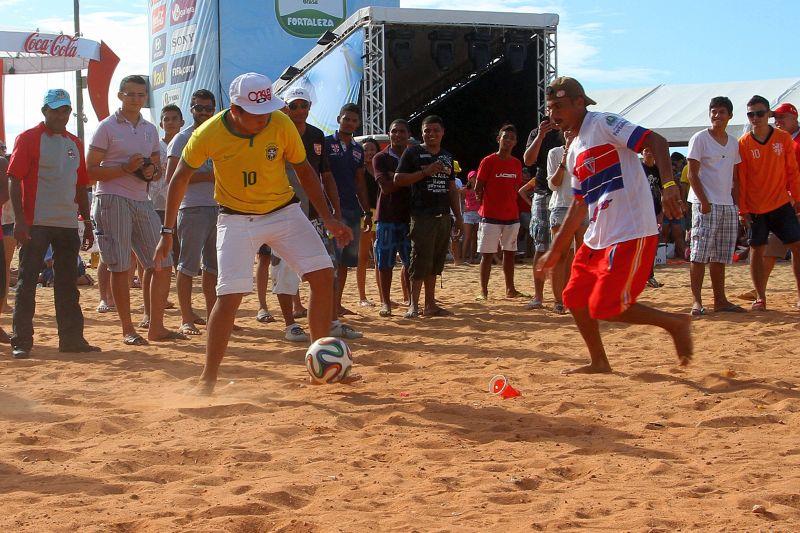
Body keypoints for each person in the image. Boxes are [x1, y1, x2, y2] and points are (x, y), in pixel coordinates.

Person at [153, 72, 353, 394]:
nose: (264, 119)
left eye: (267, 111)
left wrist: (328, 217)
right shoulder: (209, 133)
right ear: (235, 110)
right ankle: (208, 379)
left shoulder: (280, 122)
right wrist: (167, 231)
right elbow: (178, 177)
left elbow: (304, 170)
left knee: (322, 274)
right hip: (235, 219)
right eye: (256, 114)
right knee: (229, 297)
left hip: (284, 211)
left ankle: (319, 364)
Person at [536, 76, 692, 374]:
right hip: (598, 235)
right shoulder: (574, 149)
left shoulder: (603, 123)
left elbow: (655, 140)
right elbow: (579, 203)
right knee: (574, 297)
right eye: (550, 107)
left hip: (630, 230)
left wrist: (669, 185)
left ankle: (675, 323)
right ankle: (599, 361)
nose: (553, 113)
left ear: (580, 103)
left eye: (559, 106)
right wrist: (555, 251)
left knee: (606, 306)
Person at [87, 75, 183, 345]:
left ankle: (156, 327)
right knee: (120, 265)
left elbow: (154, 164)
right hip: (111, 198)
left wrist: (151, 170)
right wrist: (124, 169)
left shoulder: (150, 129)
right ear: (120, 96)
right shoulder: (106, 127)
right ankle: (128, 329)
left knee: (163, 261)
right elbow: (90, 170)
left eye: (141, 95)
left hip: (142, 199)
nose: (136, 99)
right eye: (130, 94)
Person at [7, 89, 100, 358]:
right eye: (55, 110)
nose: (61, 115)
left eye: (65, 111)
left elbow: (81, 184)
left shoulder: (75, 142)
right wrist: (21, 221)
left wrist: (87, 222)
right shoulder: (28, 139)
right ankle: (21, 341)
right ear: (44, 111)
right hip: (36, 223)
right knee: (27, 283)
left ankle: (72, 340)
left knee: (68, 284)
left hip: (67, 224)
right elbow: (14, 179)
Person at [395, 115, 462, 318]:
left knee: (436, 261)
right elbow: (398, 179)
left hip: (443, 215)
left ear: (442, 132)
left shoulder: (447, 157)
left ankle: (430, 304)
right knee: (419, 259)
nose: (431, 134)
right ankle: (413, 305)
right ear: (422, 132)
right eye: (427, 130)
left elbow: (452, 188)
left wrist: (458, 217)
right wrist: (425, 173)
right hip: (422, 214)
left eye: (435, 130)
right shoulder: (413, 152)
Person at [738, 95, 800, 310]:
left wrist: (798, 197)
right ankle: (760, 297)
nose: (755, 117)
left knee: (796, 247)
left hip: (782, 203)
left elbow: (792, 171)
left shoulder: (783, 139)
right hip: (756, 207)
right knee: (758, 251)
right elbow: (741, 179)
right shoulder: (744, 143)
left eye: (760, 113)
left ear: (768, 114)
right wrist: (743, 209)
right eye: (751, 114)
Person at [165, 89, 219, 336]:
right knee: (187, 266)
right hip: (192, 208)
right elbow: (170, 179)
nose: (205, 112)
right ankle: (186, 318)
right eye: (200, 108)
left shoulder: (219, 136)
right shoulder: (181, 139)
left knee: (214, 268)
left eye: (209, 108)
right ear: (191, 109)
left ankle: (213, 317)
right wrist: (209, 176)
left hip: (219, 207)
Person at [685, 96, 744, 316]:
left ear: (730, 115)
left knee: (721, 255)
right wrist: (705, 202)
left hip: (727, 204)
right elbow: (692, 173)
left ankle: (720, 300)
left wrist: (738, 206)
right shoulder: (699, 138)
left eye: (721, 112)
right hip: (704, 203)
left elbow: (735, 178)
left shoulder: (733, 142)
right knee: (699, 254)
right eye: (713, 111)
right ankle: (697, 302)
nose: (716, 115)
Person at [323, 104, 372, 317]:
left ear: (358, 124)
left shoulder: (358, 150)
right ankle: (326, 305)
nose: (350, 123)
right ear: (338, 118)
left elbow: (360, 181)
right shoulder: (325, 143)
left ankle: (337, 304)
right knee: (329, 260)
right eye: (347, 119)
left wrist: (366, 211)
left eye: (354, 120)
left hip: (352, 209)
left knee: (345, 262)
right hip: (331, 210)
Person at [754, 102, 800, 293]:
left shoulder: (790, 141)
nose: (777, 121)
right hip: (781, 202)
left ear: (794, 117)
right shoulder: (778, 140)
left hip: (793, 200)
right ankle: (759, 289)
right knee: (772, 248)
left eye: (782, 117)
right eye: (776, 118)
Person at [475, 124, 525, 300]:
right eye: (505, 137)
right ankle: (484, 291)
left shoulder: (517, 164)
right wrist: (485, 206)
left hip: (512, 216)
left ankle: (510, 289)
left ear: (515, 142)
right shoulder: (488, 161)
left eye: (512, 138)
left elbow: (516, 188)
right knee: (487, 255)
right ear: (499, 139)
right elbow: (478, 187)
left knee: (510, 254)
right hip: (490, 216)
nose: (508, 140)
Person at [545, 129, 588, 314]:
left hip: (583, 206)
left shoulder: (586, 151)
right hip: (561, 206)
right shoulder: (554, 153)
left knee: (581, 255)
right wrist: (564, 158)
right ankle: (558, 301)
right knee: (560, 255)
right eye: (567, 131)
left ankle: (575, 297)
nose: (570, 133)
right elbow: (553, 184)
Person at [372, 119, 412, 317]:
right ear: (389, 134)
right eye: (394, 131)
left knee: (411, 261)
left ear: (408, 135)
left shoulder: (414, 156)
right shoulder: (380, 157)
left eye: (402, 132)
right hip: (386, 216)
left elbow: (395, 183)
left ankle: (411, 301)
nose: (398, 135)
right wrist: (410, 177)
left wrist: (396, 177)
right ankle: (385, 302)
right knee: (384, 262)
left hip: (409, 216)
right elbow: (386, 187)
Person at [523, 117, 564, 309]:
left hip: (567, 195)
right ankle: (538, 297)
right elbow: (528, 160)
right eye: (550, 107)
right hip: (543, 194)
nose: (553, 111)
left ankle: (562, 298)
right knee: (541, 247)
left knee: (566, 251)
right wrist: (540, 135)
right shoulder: (537, 133)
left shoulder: (571, 129)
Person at [357, 137, 380, 307]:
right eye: (366, 149)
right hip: (364, 215)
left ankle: (382, 295)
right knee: (363, 258)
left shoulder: (381, 170)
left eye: (372, 149)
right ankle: (362, 297)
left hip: (381, 215)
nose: (369, 152)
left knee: (380, 257)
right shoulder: (358, 170)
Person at [641, 146, 664, 288]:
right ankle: (640, 277)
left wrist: (661, 214)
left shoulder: (658, 170)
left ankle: (649, 276)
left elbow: (664, 192)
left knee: (652, 246)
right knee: (640, 246)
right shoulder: (639, 169)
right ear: (642, 153)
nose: (649, 153)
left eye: (651, 150)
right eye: (646, 151)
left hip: (654, 211)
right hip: (640, 212)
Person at [460, 170, 480, 263]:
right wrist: (463, 208)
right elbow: (460, 199)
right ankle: (463, 258)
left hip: (477, 213)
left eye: (476, 177)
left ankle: (472, 258)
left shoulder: (479, 188)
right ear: (469, 178)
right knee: (467, 237)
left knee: (474, 237)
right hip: (468, 214)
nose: (475, 179)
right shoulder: (465, 189)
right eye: (473, 177)